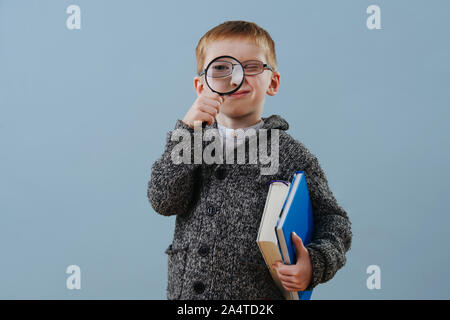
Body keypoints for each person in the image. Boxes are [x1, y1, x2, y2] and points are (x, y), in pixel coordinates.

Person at [147, 20, 352, 300]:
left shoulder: (291, 154)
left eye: (252, 67)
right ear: (200, 86)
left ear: (273, 82)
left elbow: (334, 221)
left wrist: (314, 263)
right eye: (221, 68)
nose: (236, 78)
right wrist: (186, 131)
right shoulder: (191, 143)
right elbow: (163, 200)